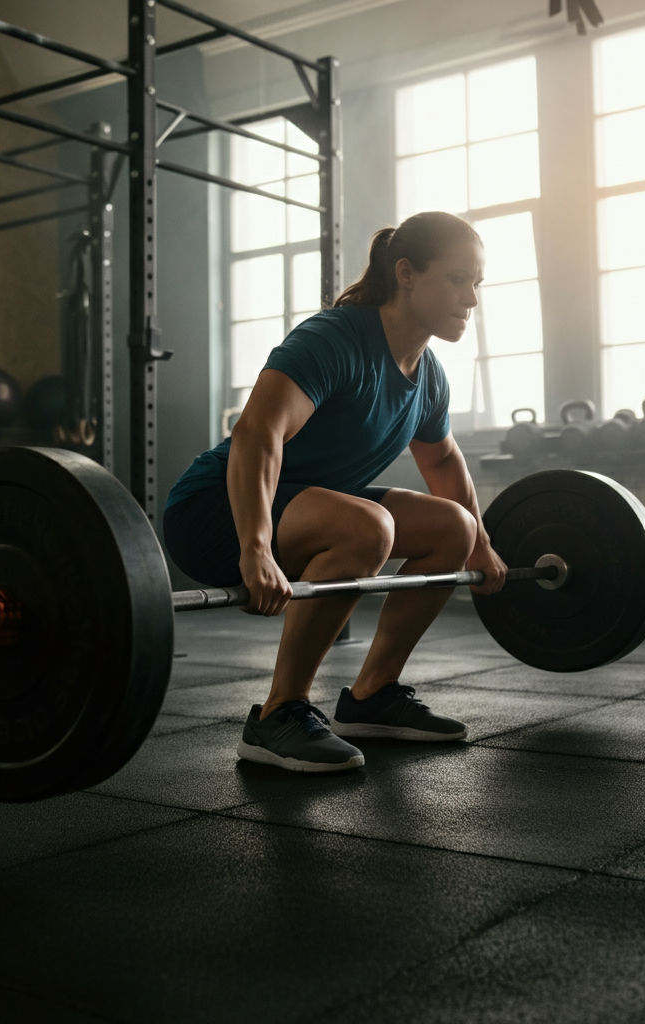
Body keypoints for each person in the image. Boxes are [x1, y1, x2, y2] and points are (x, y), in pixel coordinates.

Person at [163, 211, 507, 772]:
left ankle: (372, 696)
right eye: (458, 279)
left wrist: (482, 546)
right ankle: (277, 714)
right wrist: (254, 547)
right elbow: (258, 432)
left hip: (307, 506)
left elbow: (443, 460)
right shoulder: (337, 337)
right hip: (216, 510)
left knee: (455, 528)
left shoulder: (428, 375)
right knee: (368, 525)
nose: (471, 298)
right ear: (407, 274)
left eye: (477, 283)